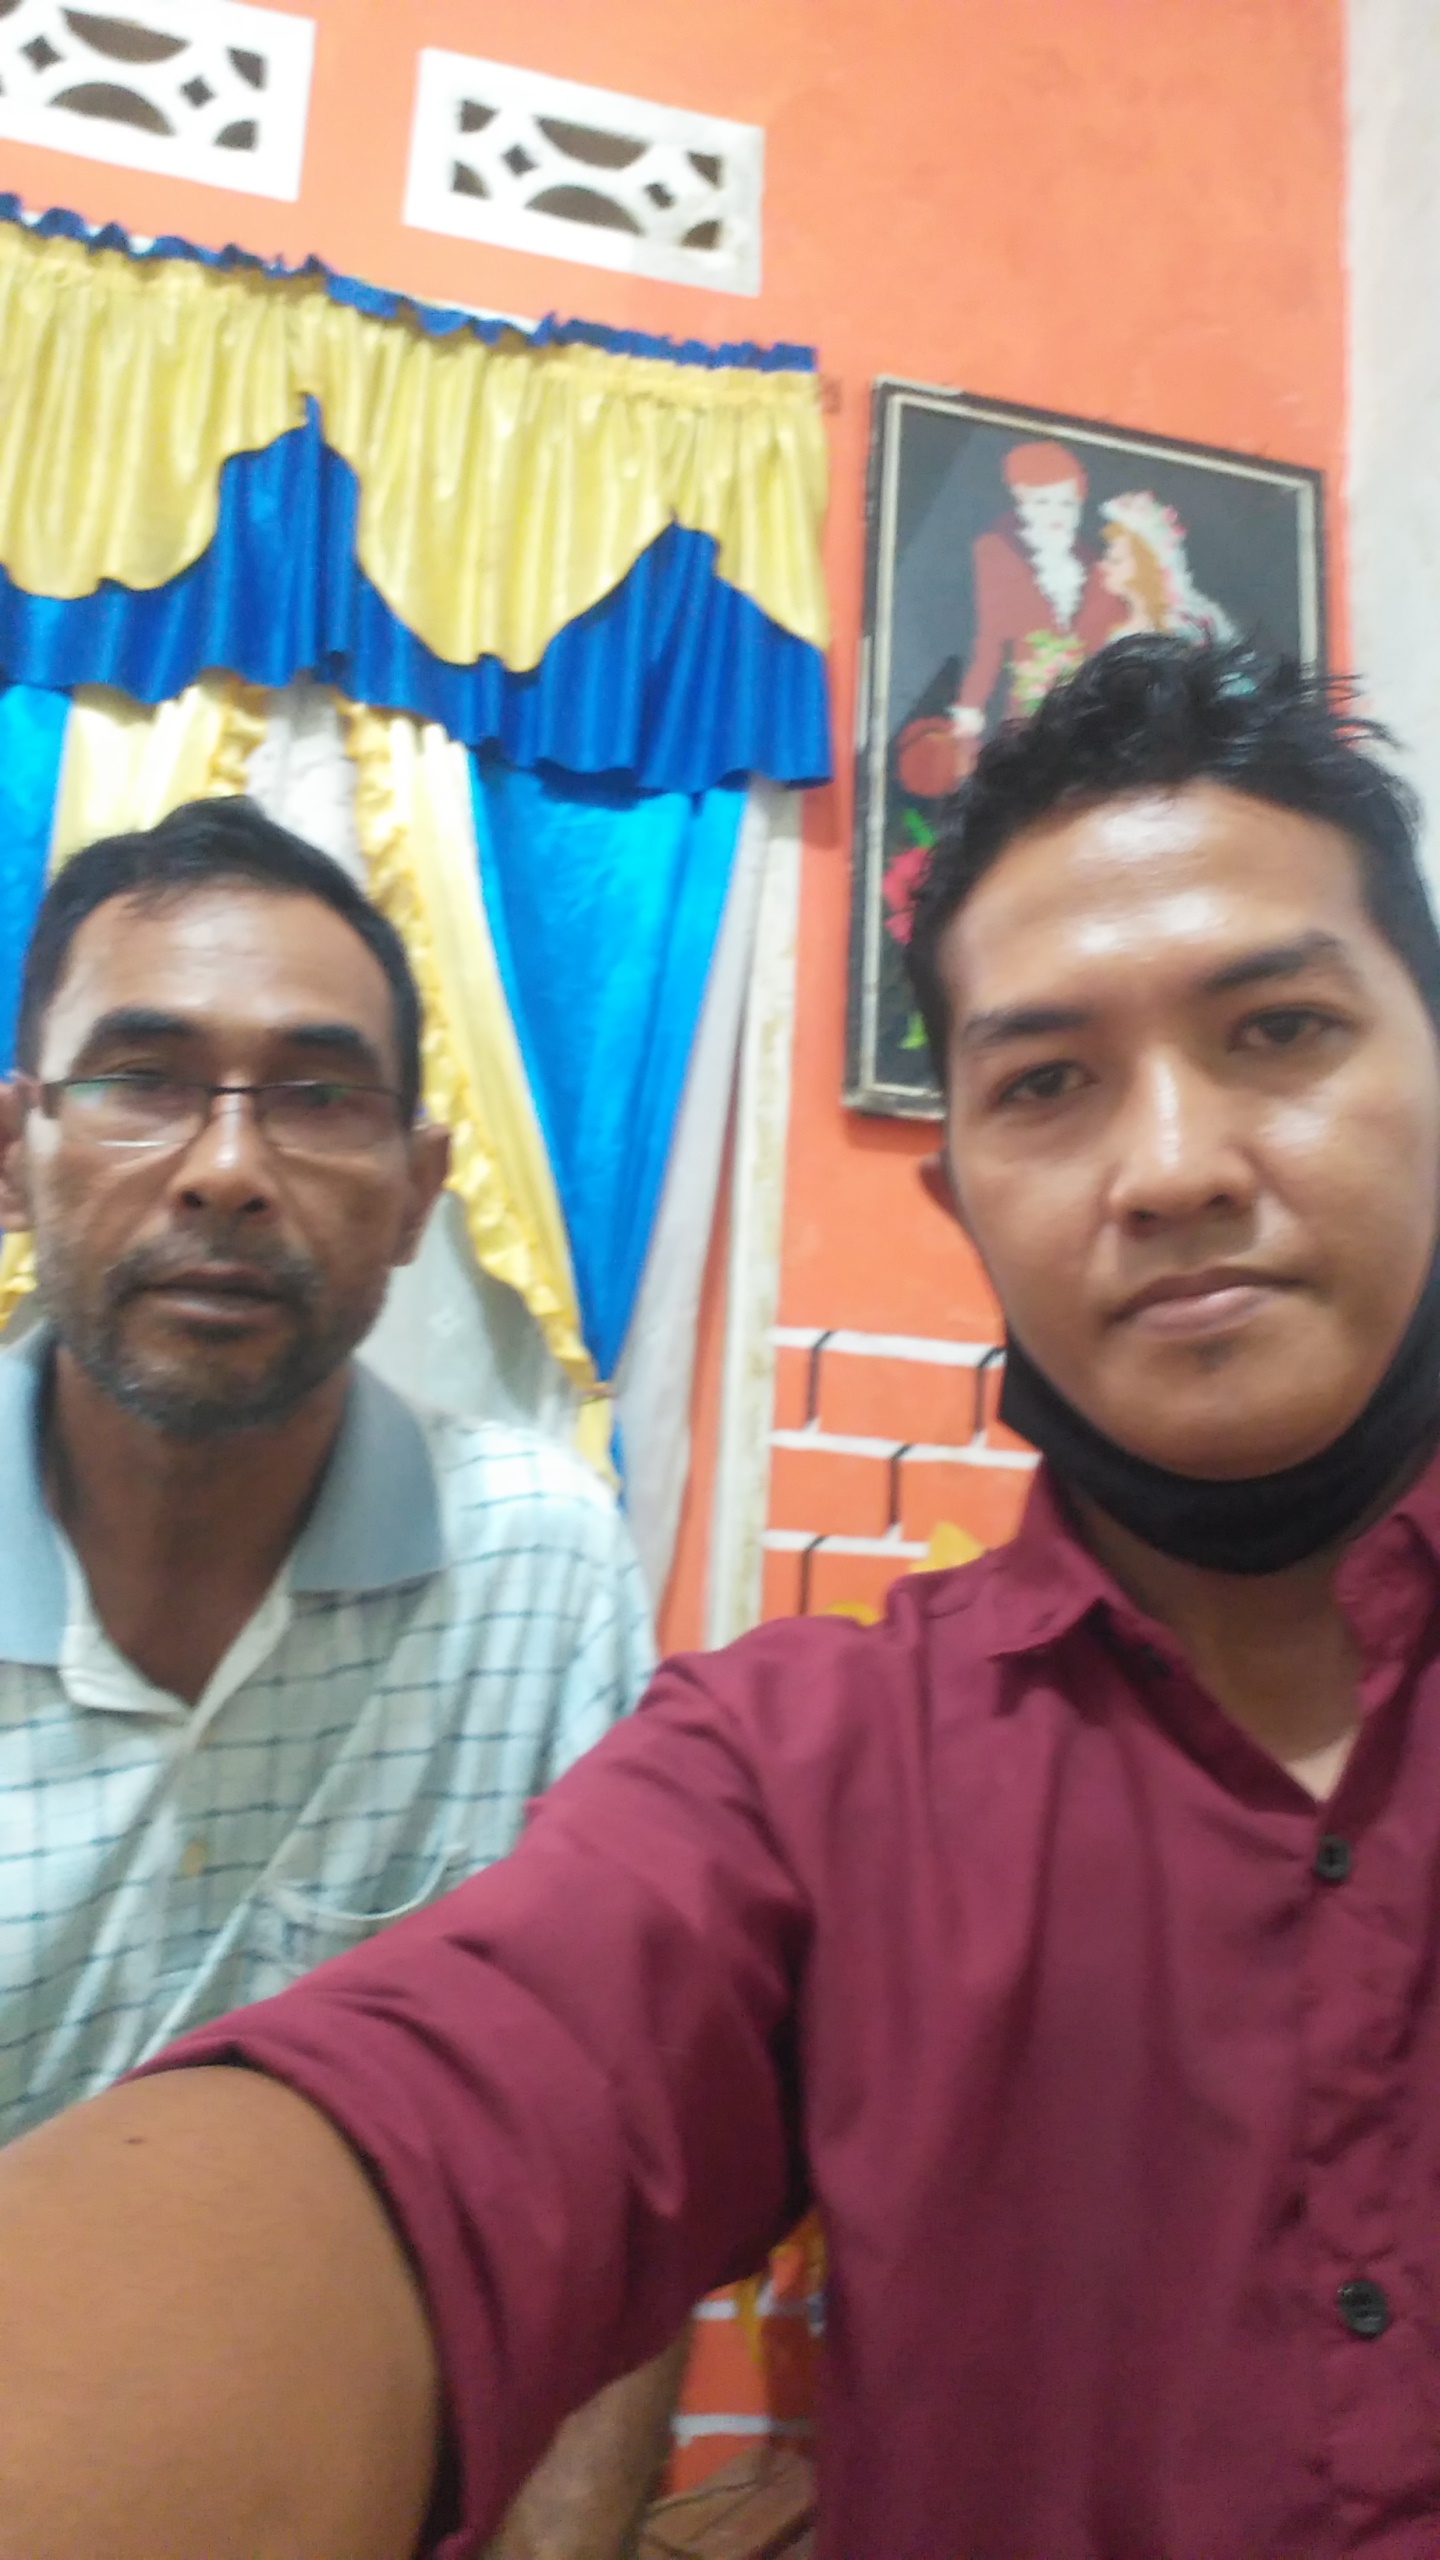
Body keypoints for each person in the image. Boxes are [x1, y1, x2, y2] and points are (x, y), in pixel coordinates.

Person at [4, 637, 1440, 2558]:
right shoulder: (808, 1776)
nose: (1173, 1167)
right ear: (962, 1200)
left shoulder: (529, 1554)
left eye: (1278, 1030)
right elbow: (466, 2110)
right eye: (1047, 1081)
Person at [0, 797, 683, 2559]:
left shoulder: (537, 1566)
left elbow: (618, 2145)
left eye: (316, 1097)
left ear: (416, 1195)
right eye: (143, 1078)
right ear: (17, 1151)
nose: (228, 1168)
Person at [896, 437, 1123, 798]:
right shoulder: (997, 555)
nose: (1056, 514)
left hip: (1090, 721)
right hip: (1027, 715)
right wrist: (970, 709)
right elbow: (989, 642)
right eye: (1043, 501)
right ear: (1022, 501)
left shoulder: (1098, 568)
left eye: (1066, 502)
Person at [1099, 487, 1237, 640]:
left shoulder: (1186, 627)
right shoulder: (1122, 631)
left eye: (1115, 561)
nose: (1103, 566)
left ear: (1146, 567)